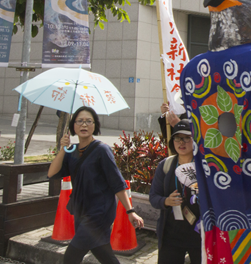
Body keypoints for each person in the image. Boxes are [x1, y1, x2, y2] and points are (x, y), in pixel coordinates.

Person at [48, 106, 144, 264]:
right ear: (73, 126)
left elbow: (117, 183)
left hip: (99, 211)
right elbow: (52, 174)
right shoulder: (72, 150)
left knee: (71, 256)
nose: (84, 125)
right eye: (79, 121)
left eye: (88, 121)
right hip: (81, 210)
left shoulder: (102, 150)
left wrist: (130, 211)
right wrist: (63, 149)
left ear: (95, 125)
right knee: (102, 251)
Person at [149, 119, 201, 264]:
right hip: (171, 236)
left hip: (200, 236)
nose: (181, 142)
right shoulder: (165, 166)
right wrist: (166, 201)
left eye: (186, 138)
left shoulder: (204, 167)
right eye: (177, 138)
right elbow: (153, 197)